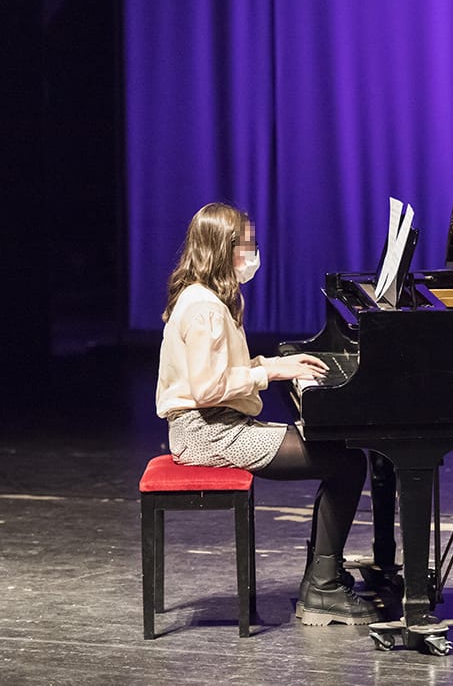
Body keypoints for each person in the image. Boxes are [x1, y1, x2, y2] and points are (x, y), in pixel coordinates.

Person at [155, 201, 382, 626]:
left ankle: (323, 578)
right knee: (347, 462)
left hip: (218, 424)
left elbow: (221, 372)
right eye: (247, 245)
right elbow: (207, 389)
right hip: (208, 432)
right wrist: (270, 373)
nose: (254, 253)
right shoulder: (204, 308)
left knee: (340, 452)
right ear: (223, 248)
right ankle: (323, 587)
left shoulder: (207, 298)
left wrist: (275, 365)